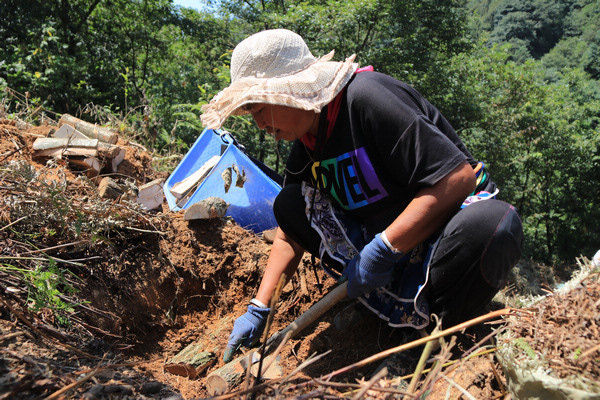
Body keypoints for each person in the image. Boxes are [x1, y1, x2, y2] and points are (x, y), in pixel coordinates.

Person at [201, 29, 523, 363]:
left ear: (285, 92)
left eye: (257, 109)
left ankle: (426, 337)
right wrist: (260, 306)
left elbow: (457, 179)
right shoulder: (307, 141)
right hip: (388, 243)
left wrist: (384, 248)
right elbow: (291, 229)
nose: (258, 124)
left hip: (440, 226)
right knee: (289, 203)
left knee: (496, 225)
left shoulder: (366, 99)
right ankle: (387, 302)